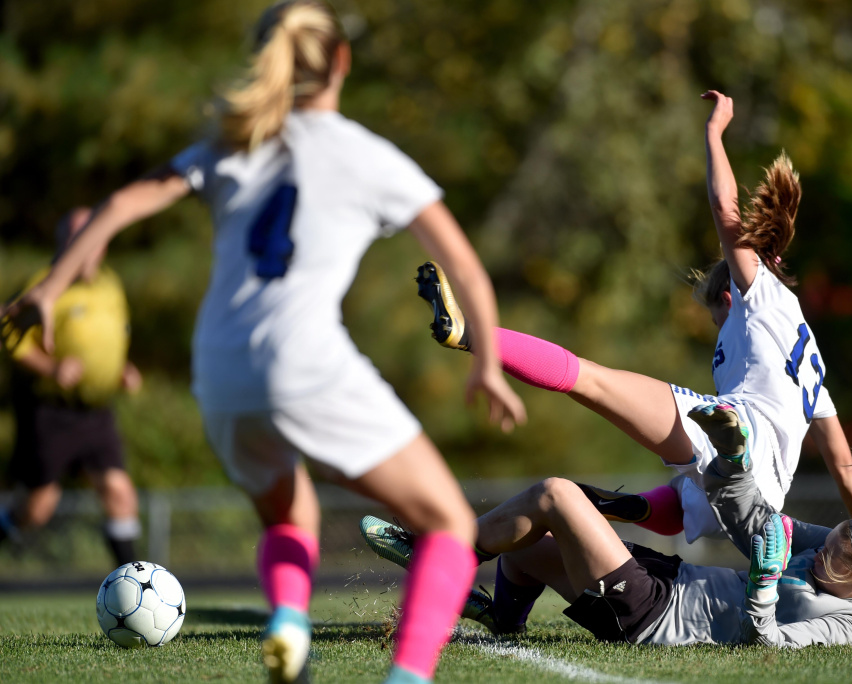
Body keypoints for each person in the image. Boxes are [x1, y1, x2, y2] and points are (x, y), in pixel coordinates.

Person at [0, 2, 526, 682]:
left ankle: (287, 621)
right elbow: (469, 273)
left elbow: (123, 204)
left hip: (219, 369)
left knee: (290, 512)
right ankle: (407, 677)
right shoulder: (367, 155)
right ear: (341, 61)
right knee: (450, 525)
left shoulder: (233, 143)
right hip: (302, 358)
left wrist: (48, 289)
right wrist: (487, 365)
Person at [413, 90, 852, 547]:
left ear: (729, 298)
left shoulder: (758, 294)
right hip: (763, 502)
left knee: (592, 380)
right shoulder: (812, 375)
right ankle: (615, 506)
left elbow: (724, 208)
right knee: (685, 491)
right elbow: (846, 470)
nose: (717, 329)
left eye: (714, 320)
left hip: (741, 443)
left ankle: (468, 332)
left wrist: (714, 133)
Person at [363, 404, 852, 647]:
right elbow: (756, 519)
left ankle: (437, 555)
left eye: (839, 557)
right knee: (527, 551)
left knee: (556, 494)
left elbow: (769, 644)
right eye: (832, 539)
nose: (821, 554)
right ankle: (504, 620)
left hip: (654, 613)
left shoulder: (847, 624)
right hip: (665, 579)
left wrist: (763, 589)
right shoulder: (821, 553)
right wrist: (731, 458)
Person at [1, 207, 143, 568]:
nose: (83, 245)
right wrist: (51, 368)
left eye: (91, 236)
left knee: (119, 492)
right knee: (39, 507)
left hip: (97, 410)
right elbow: (8, 333)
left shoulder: (111, 284)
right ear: (62, 242)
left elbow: (109, 338)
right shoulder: (45, 284)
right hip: (51, 411)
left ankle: (131, 583)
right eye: (75, 237)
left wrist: (119, 369)